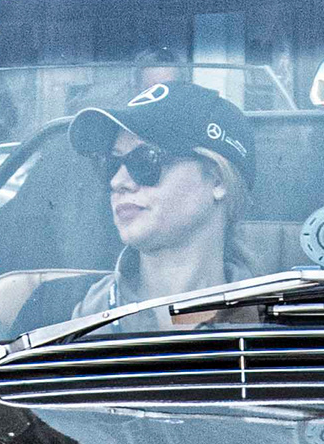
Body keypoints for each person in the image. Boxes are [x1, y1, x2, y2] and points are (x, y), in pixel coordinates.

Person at [64, 78, 254, 315]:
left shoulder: (275, 319)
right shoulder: (82, 317)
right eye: (111, 163)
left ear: (218, 180)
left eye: (145, 159)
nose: (118, 182)